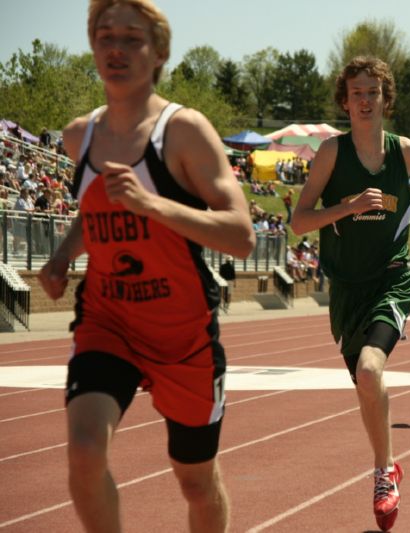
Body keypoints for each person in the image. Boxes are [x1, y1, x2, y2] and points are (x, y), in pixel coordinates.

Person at [36, 2, 255, 531]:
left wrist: (154, 205)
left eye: (132, 39)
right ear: (92, 45)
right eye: (105, 36)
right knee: (85, 450)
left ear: (158, 52)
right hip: (108, 323)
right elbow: (94, 215)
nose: (116, 49)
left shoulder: (183, 131)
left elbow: (242, 236)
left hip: (182, 334)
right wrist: (65, 254)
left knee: (194, 480)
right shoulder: (78, 137)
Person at [290, 56, 410, 532]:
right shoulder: (330, 154)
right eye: (356, 93)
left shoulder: (405, 152)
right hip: (347, 289)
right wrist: (346, 207)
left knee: (369, 368)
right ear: (345, 101)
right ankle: (388, 462)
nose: (365, 101)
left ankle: (383, 473)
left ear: (387, 99)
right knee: (366, 383)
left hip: (393, 277)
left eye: (373, 92)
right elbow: (299, 221)